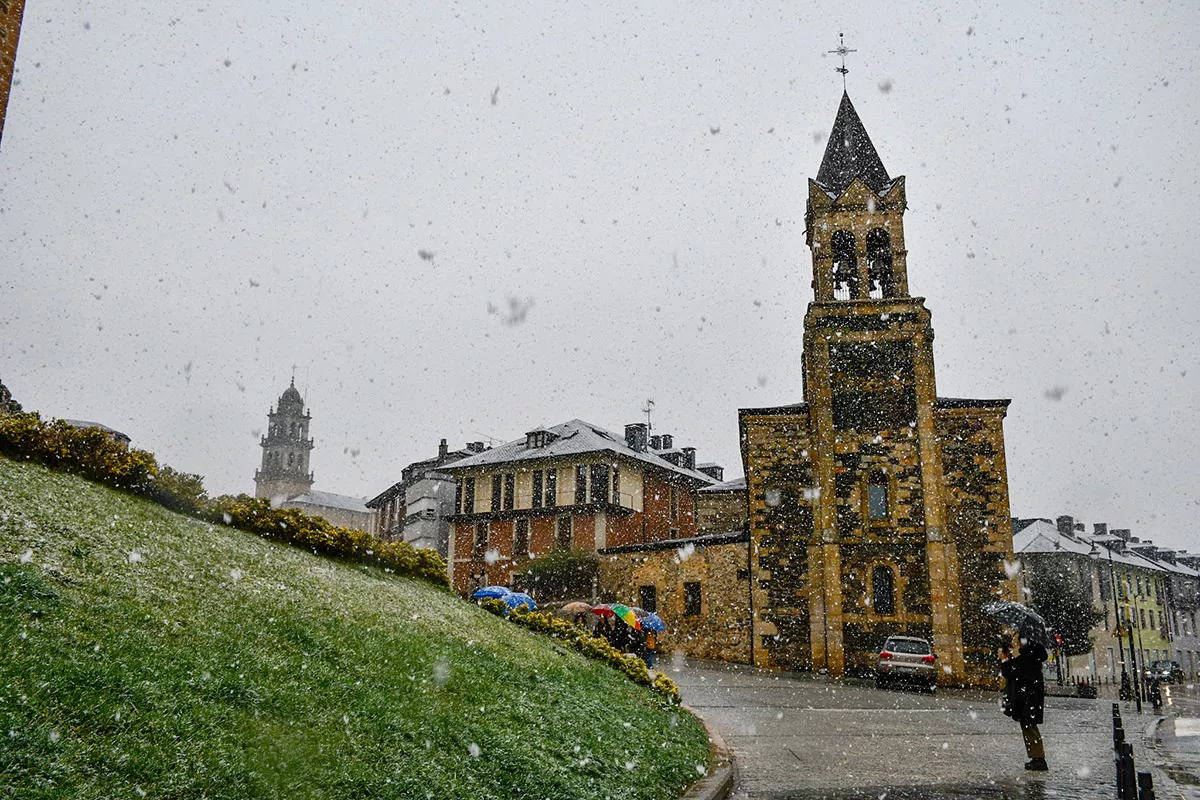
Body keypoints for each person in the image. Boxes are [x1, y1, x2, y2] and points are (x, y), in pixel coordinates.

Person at [999, 637, 1049, 771]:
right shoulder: (1033, 657)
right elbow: (1015, 668)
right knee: (1029, 727)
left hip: (1027, 700)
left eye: (1020, 640)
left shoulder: (1028, 658)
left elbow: (1010, 672)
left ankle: (1038, 759)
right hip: (1030, 699)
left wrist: (1005, 659)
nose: (1018, 642)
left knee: (1030, 728)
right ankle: (1036, 758)